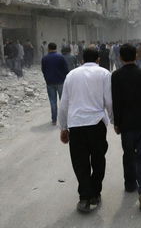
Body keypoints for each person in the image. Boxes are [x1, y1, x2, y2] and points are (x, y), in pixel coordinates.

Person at [58, 48, 113, 213]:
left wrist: (63, 127)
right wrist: (115, 121)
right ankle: (95, 193)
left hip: (76, 125)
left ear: (81, 60)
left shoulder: (71, 75)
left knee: (80, 163)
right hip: (97, 124)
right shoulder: (104, 73)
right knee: (98, 159)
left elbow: (64, 103)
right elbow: (109, 101)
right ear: (98, 59)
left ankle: (84, 197)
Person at [112, 44, 141, 211]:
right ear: (136, 56)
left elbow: (116, 102)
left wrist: (116, 123)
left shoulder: (116, 76)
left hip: (127, 125)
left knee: (129, 154)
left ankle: (130, 184)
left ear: (121, 58)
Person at [41, 43, 69, 125]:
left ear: (48, 48)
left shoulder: (44, 58)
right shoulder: (61, 57)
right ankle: (65, 119)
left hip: (50, 83)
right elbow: (66, 70)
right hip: (60, 82)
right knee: (63, 101)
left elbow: (43, 70)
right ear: (56, 48)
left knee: (53, 102)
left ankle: (54, 120)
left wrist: (47, 79)